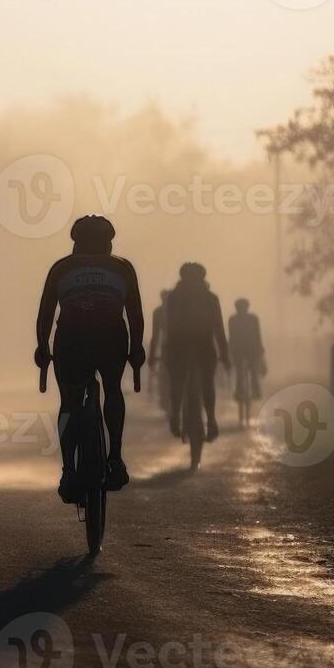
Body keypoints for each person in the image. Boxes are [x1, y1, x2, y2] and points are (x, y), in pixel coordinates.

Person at [35, 215, 145, 502]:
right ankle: (115, 458)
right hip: (111, 338)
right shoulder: (122, 267)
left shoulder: (61, 268)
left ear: (75, 242)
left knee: (69, 402)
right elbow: (134, 313)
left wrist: (42, 347)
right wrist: (136, 349)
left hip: (71, 339)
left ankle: (69, 470)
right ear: (108, 243)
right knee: (112, 390)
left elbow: (47, 312)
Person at [164, 263, 230, 441]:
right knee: (207, 383)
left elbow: (169, 328)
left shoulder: (173, 297)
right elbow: (219, 329)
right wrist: (225, 354)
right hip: (204, 346)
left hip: (179, 347)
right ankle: (211, 420)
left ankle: (175, 416)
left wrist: (166, 353)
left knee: (177, 382)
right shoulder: (210, 298)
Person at [229, 298, 266, 411]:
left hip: (239, 351)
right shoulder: (253, 318)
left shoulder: (232, 319)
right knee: (253, 371)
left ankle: (238, 392)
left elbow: (231, 337)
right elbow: (257, 335)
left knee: (240, 373)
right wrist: (260, 350)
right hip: (251, 351)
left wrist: (230, 351)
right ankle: (256, 391)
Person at [148, 288, 171, 412]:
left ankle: (166, 400)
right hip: (171, 348)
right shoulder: (178, 310)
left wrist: (152, 355)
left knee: (165, 376)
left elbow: (155, 336)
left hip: (167, 347)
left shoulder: (158, 312)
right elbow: (155, 336)